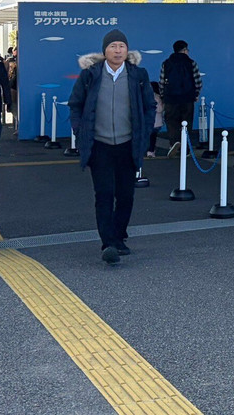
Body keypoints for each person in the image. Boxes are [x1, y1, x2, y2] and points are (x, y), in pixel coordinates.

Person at [67, 29, 155, 264]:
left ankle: (119, 235)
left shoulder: (138, 75)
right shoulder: (90, 75)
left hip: (128, 144)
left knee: (126, 195)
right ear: (104, 51)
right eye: (113, 46)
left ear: (127, 51)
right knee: (104, 193)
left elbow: (149, 107)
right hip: (100, 145)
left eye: (122, 46)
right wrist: (81, 131)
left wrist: (145, 134)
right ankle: (108, 242)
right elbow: (75, 105)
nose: (118, 50)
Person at [160, 40, 202, 158]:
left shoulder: (166, 63)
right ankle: (186, 148)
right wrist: (196, 94)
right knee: (187, 122)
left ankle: (174, 143)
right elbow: (197, 81)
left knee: (172, 121)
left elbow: (162, 82)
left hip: (171, 99)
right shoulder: (191, 63)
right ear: (184, 50)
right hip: (187, 98)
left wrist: (163, 97)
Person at [147, 82, 164, 158]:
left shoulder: (145, 96)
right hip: (157, 122)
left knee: (148, 137)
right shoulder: (158, 97)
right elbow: (160, 109)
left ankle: (149, 150)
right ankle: (151, 151)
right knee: (153, 137)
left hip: (147, 121)